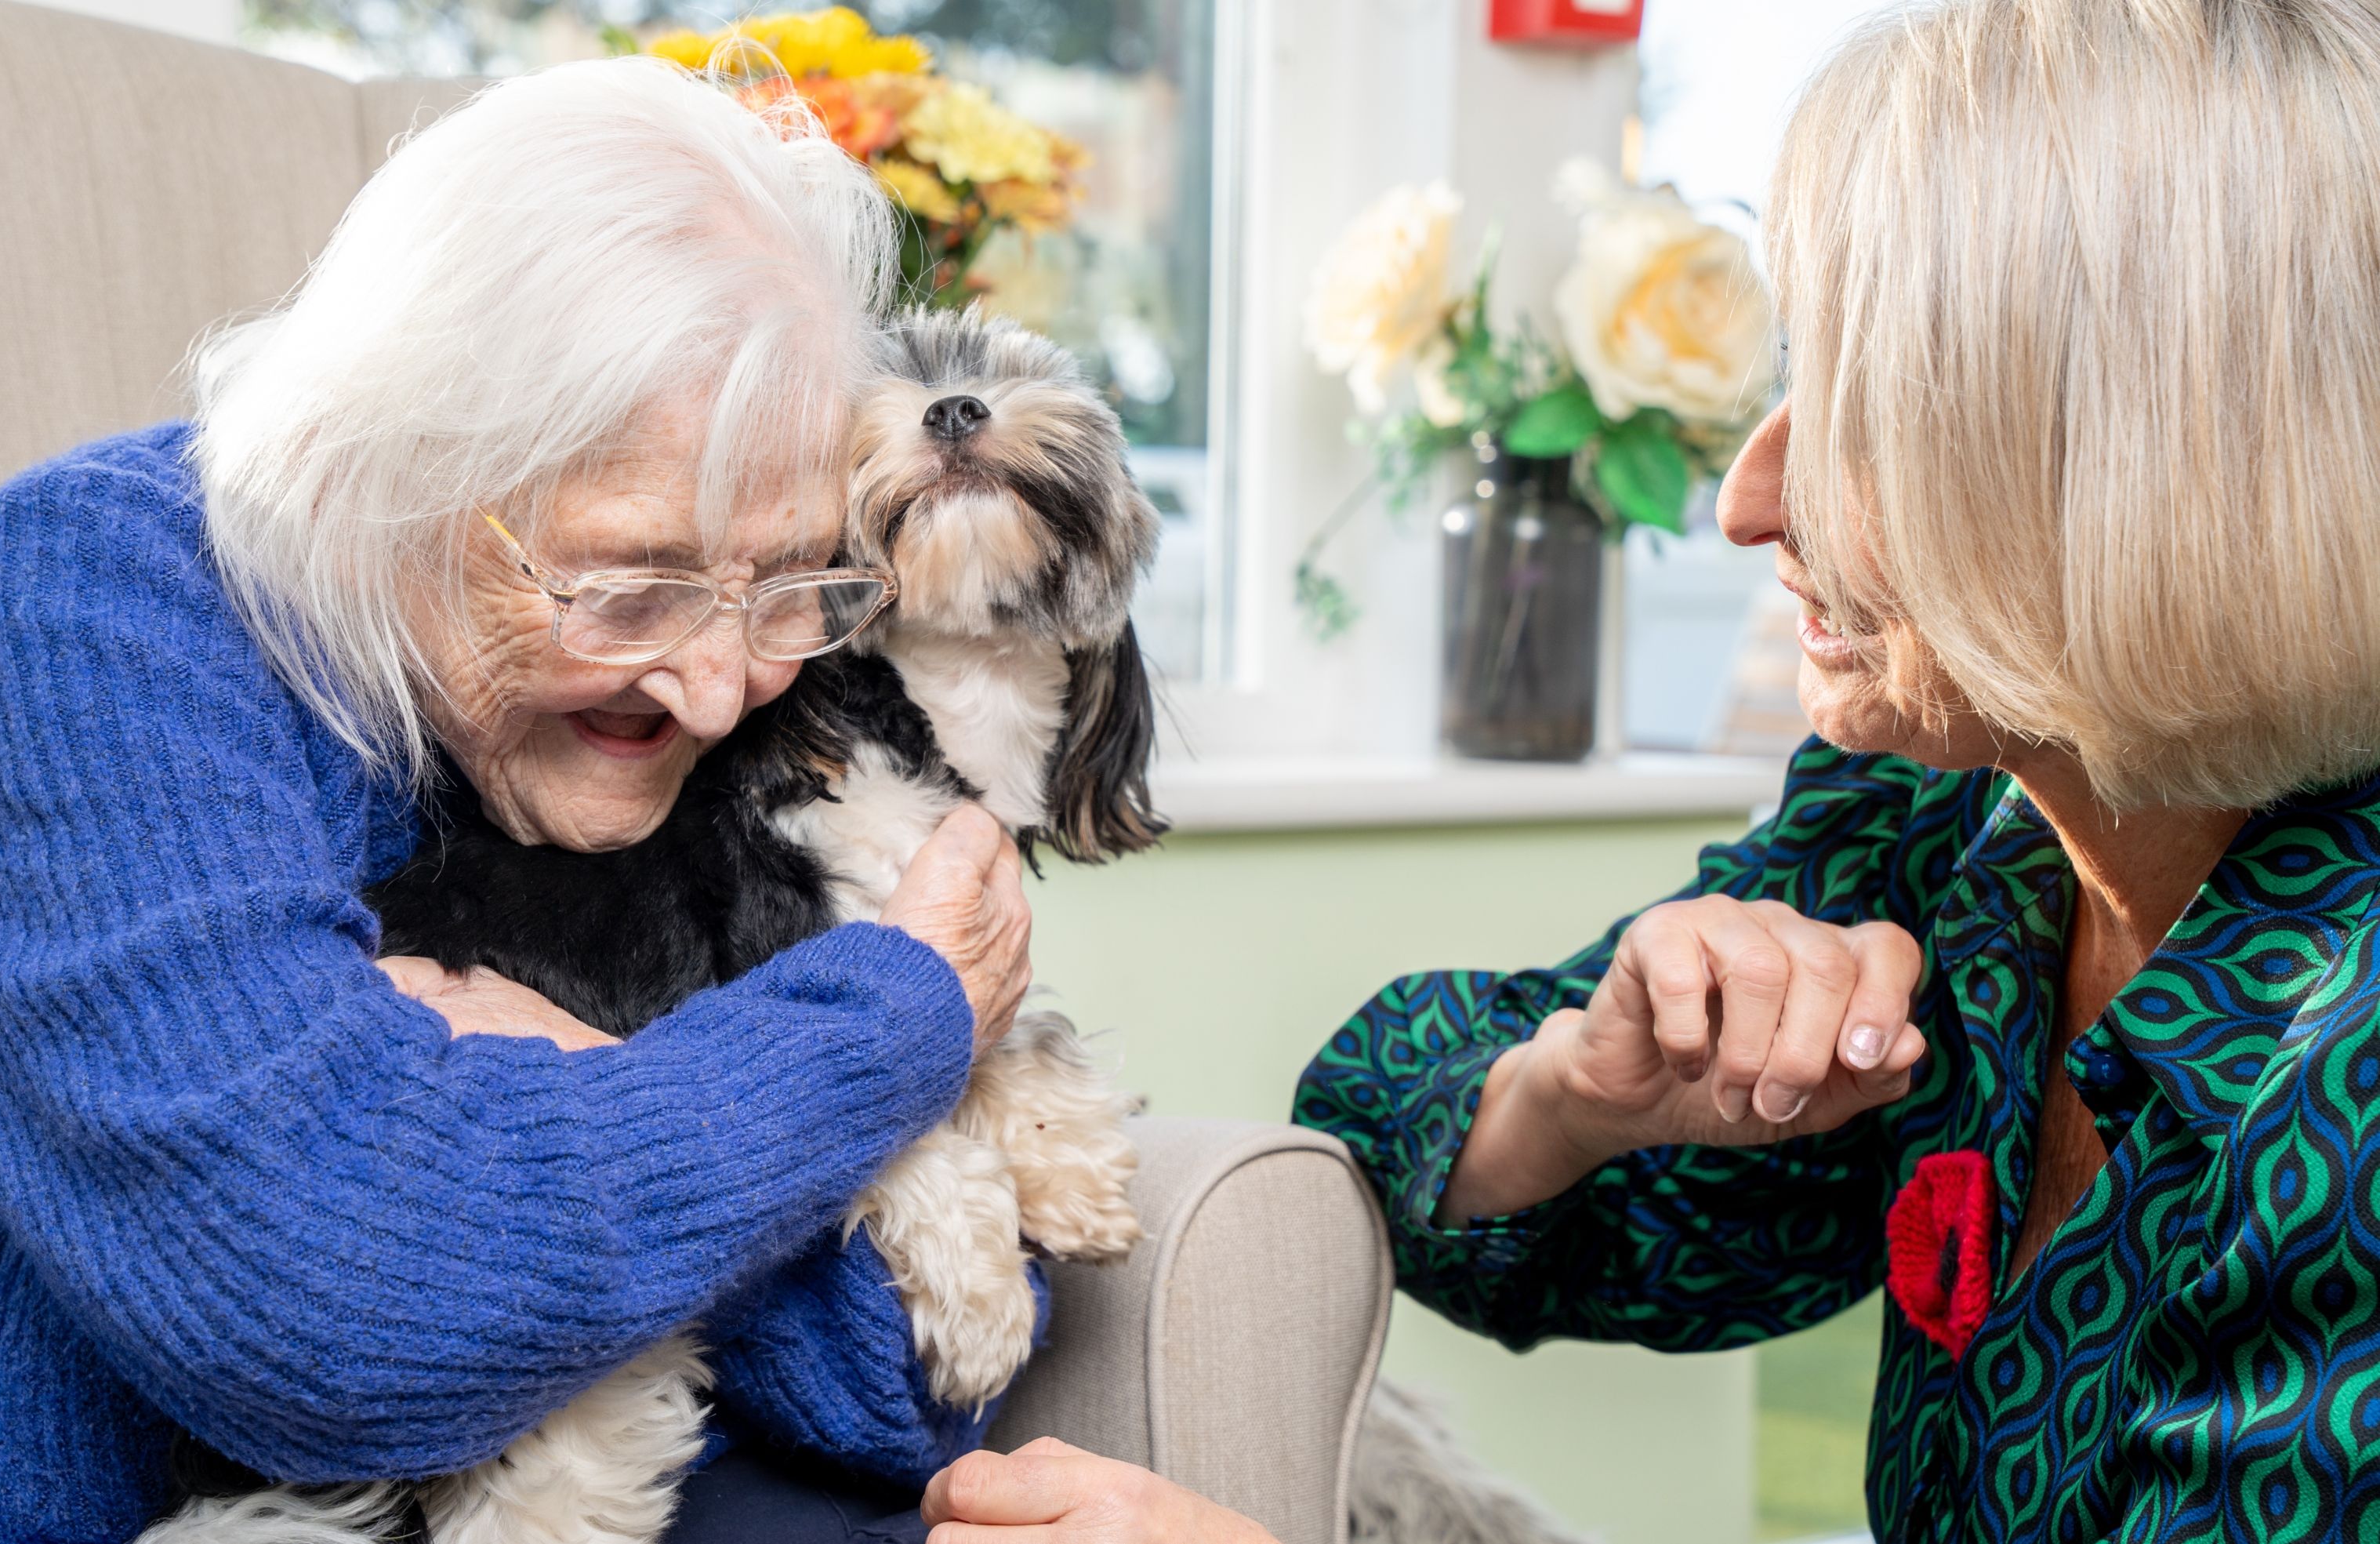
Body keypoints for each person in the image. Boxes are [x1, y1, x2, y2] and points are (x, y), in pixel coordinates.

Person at [920, 0, 2380, 1538]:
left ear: (2137, 480)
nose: (1746, 499)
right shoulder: (1954, 822)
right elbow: (1384, 1106)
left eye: (1865, 416)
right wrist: (1579, 1091)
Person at [0, 59, 1032, 1544]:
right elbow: (336, 1320)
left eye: (786, 585)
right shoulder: (84, 609)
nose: (716, 688)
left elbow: (902, 1390)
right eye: (631, 585)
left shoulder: (641, 731)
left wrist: (568, 1077)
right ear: (392, 460)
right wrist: (894, 1012)